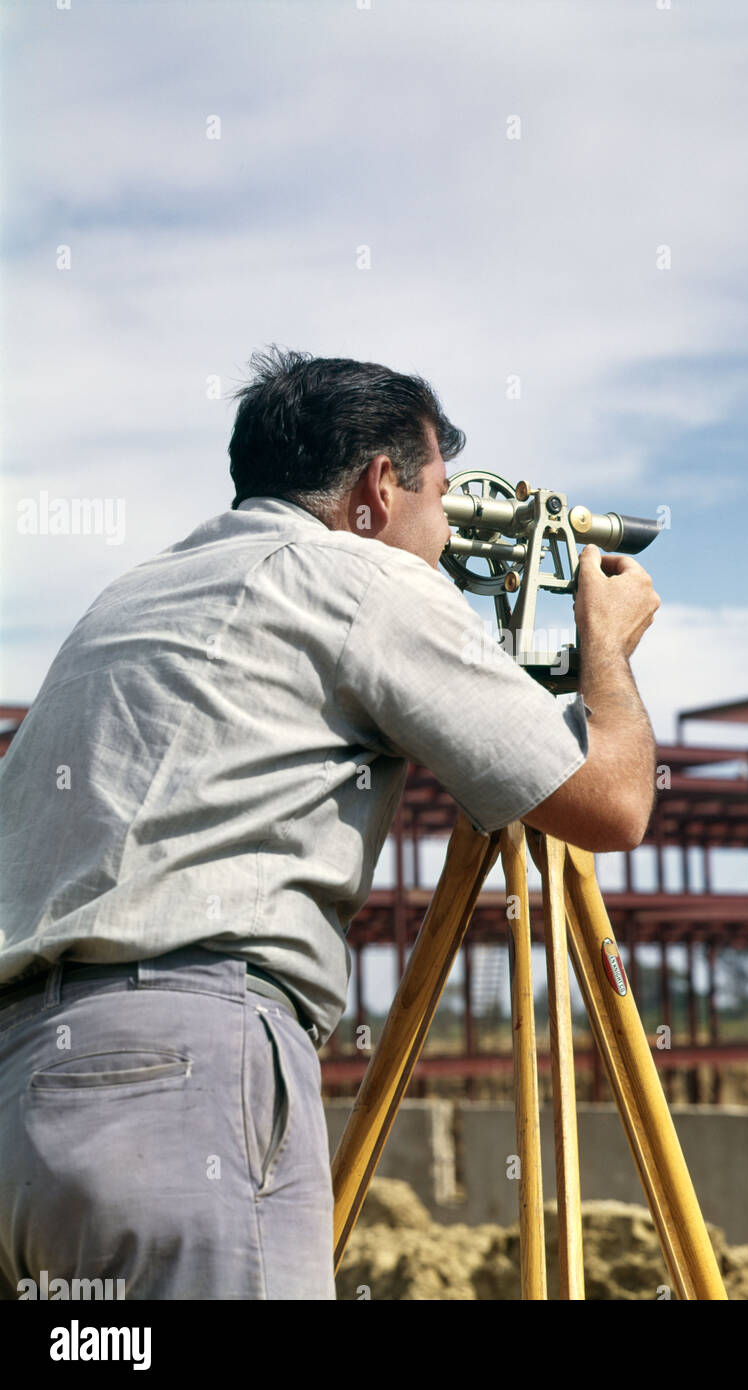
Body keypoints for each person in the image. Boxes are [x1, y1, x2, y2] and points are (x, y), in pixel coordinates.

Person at [0, 348, 660, 1300]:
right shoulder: (351, 576)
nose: (440, 540)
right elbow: (611, 802)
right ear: (378, 486)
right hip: (179, 1085)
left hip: (24, 1100)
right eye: (439, 502)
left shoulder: (136, 595)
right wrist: (606, 644)